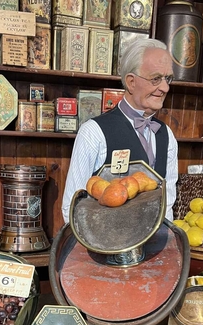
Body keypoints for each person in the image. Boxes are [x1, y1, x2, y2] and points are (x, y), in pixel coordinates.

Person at [61, 38, 178, 223]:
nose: (165, 87)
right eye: (156, 79)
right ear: (131, 82)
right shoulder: (93, 132)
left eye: (168, 78)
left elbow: (168, 198)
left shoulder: (167, 135)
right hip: (105, 244)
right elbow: (73, 205)